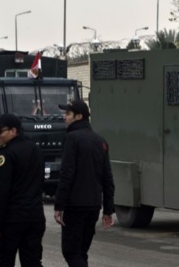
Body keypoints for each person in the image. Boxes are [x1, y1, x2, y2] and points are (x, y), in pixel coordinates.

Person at [54, 100, 115, 267]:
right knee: (81, 251)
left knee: (71, 252)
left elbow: (67, 174)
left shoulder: (72, 138)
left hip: (75, 205)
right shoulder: (100, 141)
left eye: (67, 114)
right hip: (93, 205)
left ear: (79, 116)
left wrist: (59, 205)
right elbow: (107, 178)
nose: (64, 117)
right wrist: (108, 209)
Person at [0, 113, 46, 266]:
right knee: (32, 262)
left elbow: (2, 191)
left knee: (4, 261)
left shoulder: (6, 154)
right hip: (35, 217)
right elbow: (41, 182)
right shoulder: (36, 150)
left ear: (13, 131)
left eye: (0, 131)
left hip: (12, 220)